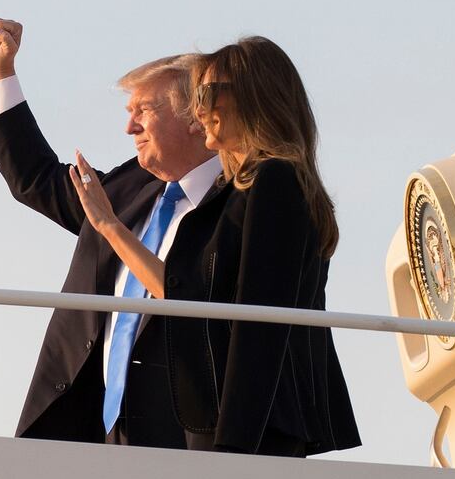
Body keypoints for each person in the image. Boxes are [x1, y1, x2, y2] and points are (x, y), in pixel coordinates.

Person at [73, 36, 361, 456]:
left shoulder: (274, 182)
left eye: (206, 93)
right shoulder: (240, 194)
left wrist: (233, 447)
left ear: (250, 98)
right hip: (223, 423)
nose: (199, 109)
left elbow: (259, 324)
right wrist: (108, 225)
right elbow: (184, 297)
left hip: (250, 431)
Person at [0, 17, 222, 448]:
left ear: (197, 120)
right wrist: (1, 73)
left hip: (190, 444)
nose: (130, 129)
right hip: (91, 433)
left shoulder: (242, 204)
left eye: (144, 111)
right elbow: (37, 179)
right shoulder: (128, 189)